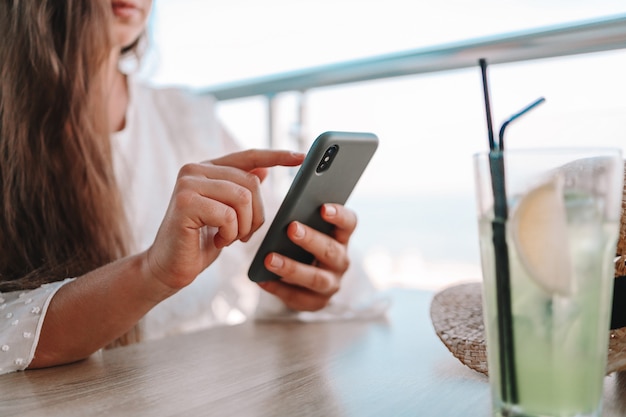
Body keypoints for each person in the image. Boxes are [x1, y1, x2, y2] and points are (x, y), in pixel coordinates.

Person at [0, 0, 385, 375]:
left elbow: (290, 272)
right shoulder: (11, 132)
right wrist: (150, 273)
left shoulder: (186, 115)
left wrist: (315, 283)